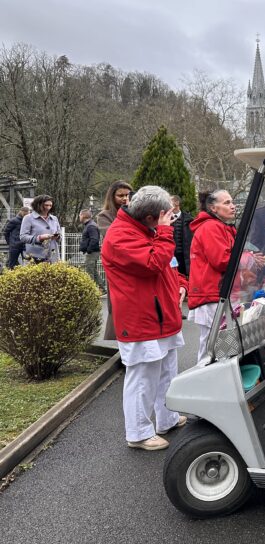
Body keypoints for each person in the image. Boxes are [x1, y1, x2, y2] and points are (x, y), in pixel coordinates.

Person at [101, 185, 188, 451]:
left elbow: (167, 266)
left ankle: (166, 418)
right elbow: (153, 263)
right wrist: (164, 232)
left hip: (160, 315)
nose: (170, 221)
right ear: (153, 216)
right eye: (166, 217)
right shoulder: (120, 236)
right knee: (142, 377)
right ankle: (138, 432)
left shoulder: (142, 229)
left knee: (165, 371)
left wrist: (181, 283)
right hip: (142, 318)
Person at [187, 190, 238, 363]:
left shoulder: (223, 227)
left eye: (232, 202)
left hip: (217, 294)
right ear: (213, 208)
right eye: (226, 203)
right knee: (212, 347)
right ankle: (203, 383)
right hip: (211, 294)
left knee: (220, 345)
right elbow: (223, 261)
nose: (232, 206)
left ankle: (216, 383)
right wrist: (247, 258)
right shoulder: (211, 227)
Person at [97, 180, 133, 340]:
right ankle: (120, 337)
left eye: (128, 195)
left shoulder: (136, 213)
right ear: (112, 197)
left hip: (134, 261)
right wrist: (126, 213)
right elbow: (114, 236)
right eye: (120, 196)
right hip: (116, 265)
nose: (125, 198)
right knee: (118, 302)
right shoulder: (104, 216)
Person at [19, 195, 61, 264]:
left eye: (50, 205)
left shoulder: (54, 219)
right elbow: (23, 237)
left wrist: (57, 237)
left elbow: (60, 236)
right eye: (46, 205)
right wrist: (40, 238)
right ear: (38, 205)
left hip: (52, 257)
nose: (48, 208)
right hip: (35, 256)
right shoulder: (28, 218)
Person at [79, 209, 103, 290]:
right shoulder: (89, 225)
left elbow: (94, 239)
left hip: (92, 252)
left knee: (89, 271)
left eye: (80, 215)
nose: (79, 217)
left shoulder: (91, 226)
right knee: (93, 271)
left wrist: (89, 250)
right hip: (92, 252)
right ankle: (101, 288)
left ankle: (91, 290)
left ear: (83, 216)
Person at [170, 195, 193, 277]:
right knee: (172, 275)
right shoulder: (166, 218)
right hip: (171, 255)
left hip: (184, 256)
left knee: (184, 277)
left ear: (177, 203)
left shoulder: (188, 219)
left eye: (170, 201)